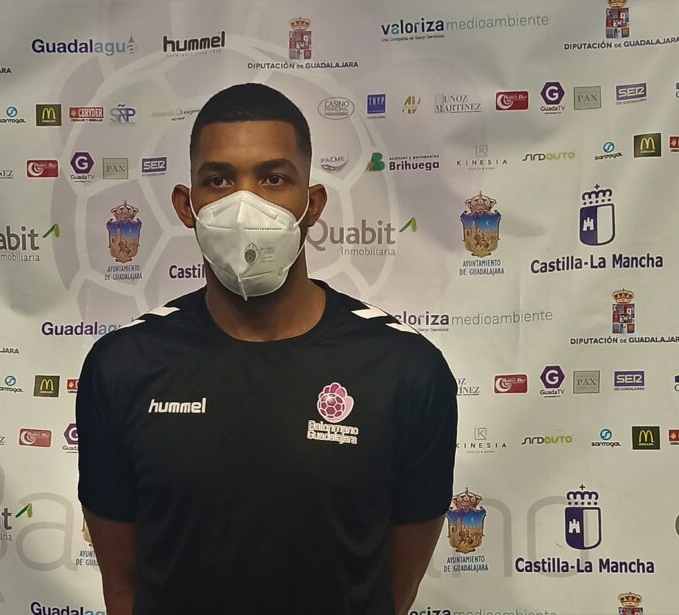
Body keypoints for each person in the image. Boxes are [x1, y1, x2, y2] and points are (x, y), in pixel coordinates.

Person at [76, 83, 458, 615]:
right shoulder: (122, 367)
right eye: (218, 180)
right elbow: (123, 588)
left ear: (312, 204)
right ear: (187, 206)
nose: (245, 205)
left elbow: (392, 594)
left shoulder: (406, 371)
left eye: (273, 178)